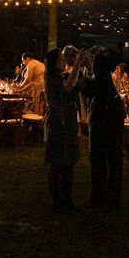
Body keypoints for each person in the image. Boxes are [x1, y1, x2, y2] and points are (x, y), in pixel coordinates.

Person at [80, 49, 125, 210]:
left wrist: (89, 66)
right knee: (105, 158)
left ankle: (106, 197)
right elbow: (85, 89)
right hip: (105, 116)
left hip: (106, 116)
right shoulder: (94, 73)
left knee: (106, 158)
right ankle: (105, 196)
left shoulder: (99, 70)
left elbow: (84, 88)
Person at [45, 47, 85, 213]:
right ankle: (57, 201)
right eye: (60, 59)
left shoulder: (64, 76)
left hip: (68, 124)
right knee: (57, 164)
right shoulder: (51, 79)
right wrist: (77, 64)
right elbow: (68, 87)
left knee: (69, 163)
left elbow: (76, 84)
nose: (63, 62)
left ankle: (67, 199)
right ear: (53, 63)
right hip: (58, 124)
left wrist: (83, 66)